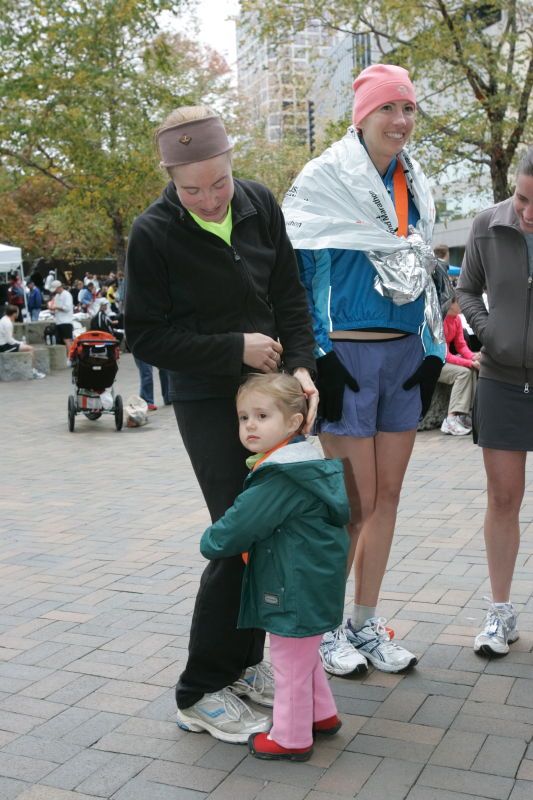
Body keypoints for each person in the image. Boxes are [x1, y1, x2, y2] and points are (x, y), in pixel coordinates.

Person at [124, 106, 317, 742]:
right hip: (209, 399)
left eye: (219, 182)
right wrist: (233, 348)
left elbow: (289, 292)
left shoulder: (260, 202)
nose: (209, 199)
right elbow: (146, 335)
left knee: (276, 532)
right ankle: (199, 689)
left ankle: (242, 666)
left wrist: (302, 367)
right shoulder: (153, 233)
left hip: (274, 390)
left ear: (234, 162)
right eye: (191, 188)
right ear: (170, 178)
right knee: (241, 532)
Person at [282, 63, 445, 676]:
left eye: (408, 109)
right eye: (388, 109)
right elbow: (304, 276)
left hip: (403, 353)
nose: (401, 121)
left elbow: (424, 270)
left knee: (391, 495)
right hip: (346, 356)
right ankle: (324, 628)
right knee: (354, 501)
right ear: (363, 115)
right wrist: (319, 356)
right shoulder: (326, 178)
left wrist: (431, 350)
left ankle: (365, 622)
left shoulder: (415, 181)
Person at [198, 373, 348, 757]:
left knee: (288, 663)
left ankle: (290, 737)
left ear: (294, 422)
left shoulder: (280, 476)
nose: (250, 425)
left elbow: (239, 524)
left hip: (291, 584)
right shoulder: (303, 463)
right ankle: (322, 715)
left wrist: (210, 542)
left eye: (262, 416)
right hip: (310, 580)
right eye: (243, 417)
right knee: (303, 654)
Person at [457, 147, 533, 657]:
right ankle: (500, 614)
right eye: (523, 198)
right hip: (503, 381)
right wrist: (489, 335)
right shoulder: (488, 224)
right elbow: (465, 290)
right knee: (503, 499)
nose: (527, 213)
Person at [438, 296, 480, 435]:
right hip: (433, 363)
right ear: (451, 304)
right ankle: (450, 420)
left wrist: (474, 357)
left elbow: (461, 346)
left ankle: (462, 416)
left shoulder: (456, 319)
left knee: (471, 370)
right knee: (464, 372)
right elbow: (445, 355)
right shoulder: (440, 320)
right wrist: (470, 362)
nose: (463, 305)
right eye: (460, 302)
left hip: (444, 360)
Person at [0, 304, 45, 378]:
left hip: (3, 344)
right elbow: (10, 340)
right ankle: (33, 372)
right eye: (17, 312)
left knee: (26, 347)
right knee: (30, 348)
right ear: (14, 314)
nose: (18, 314)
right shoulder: (8, 323)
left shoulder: (3, 319)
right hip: (4, 347)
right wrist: (21, 343)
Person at [48, 280, 74, 354]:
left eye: (55, 289)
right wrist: (52, 309)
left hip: (66, 321)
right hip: (59, 321)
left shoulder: (67, 295)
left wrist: (56, 307)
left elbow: (67, 308)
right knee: (61, 341)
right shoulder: (56, 296)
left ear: (59, 287)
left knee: (67, 340)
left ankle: (70, 357)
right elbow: (55, 307)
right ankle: (65, 357)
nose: (55, 291)